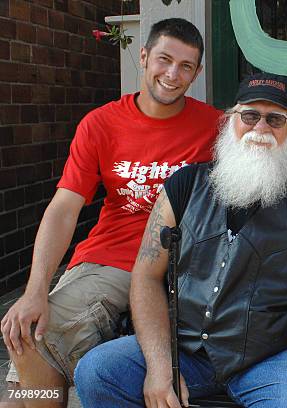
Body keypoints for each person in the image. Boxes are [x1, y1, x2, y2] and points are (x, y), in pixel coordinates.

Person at [74, 72, 287, 408]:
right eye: (250, 116)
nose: (261, 128)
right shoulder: (184, 185)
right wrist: (160, 365)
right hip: (182, 348)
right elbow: (146, 276)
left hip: (271, 357)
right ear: (230, 120)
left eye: (275, 119)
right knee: (97, 371)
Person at [0, 18, 221, 407]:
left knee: (26, 389)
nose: (173, 74)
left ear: (197, 72)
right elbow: (63, 209)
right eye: (164, 60)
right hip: (112, 260)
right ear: (144, 55)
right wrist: (35, 290)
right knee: (29, 331)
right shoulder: (101, 124)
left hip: (185, 266)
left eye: (186, 66)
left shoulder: (215, 128)